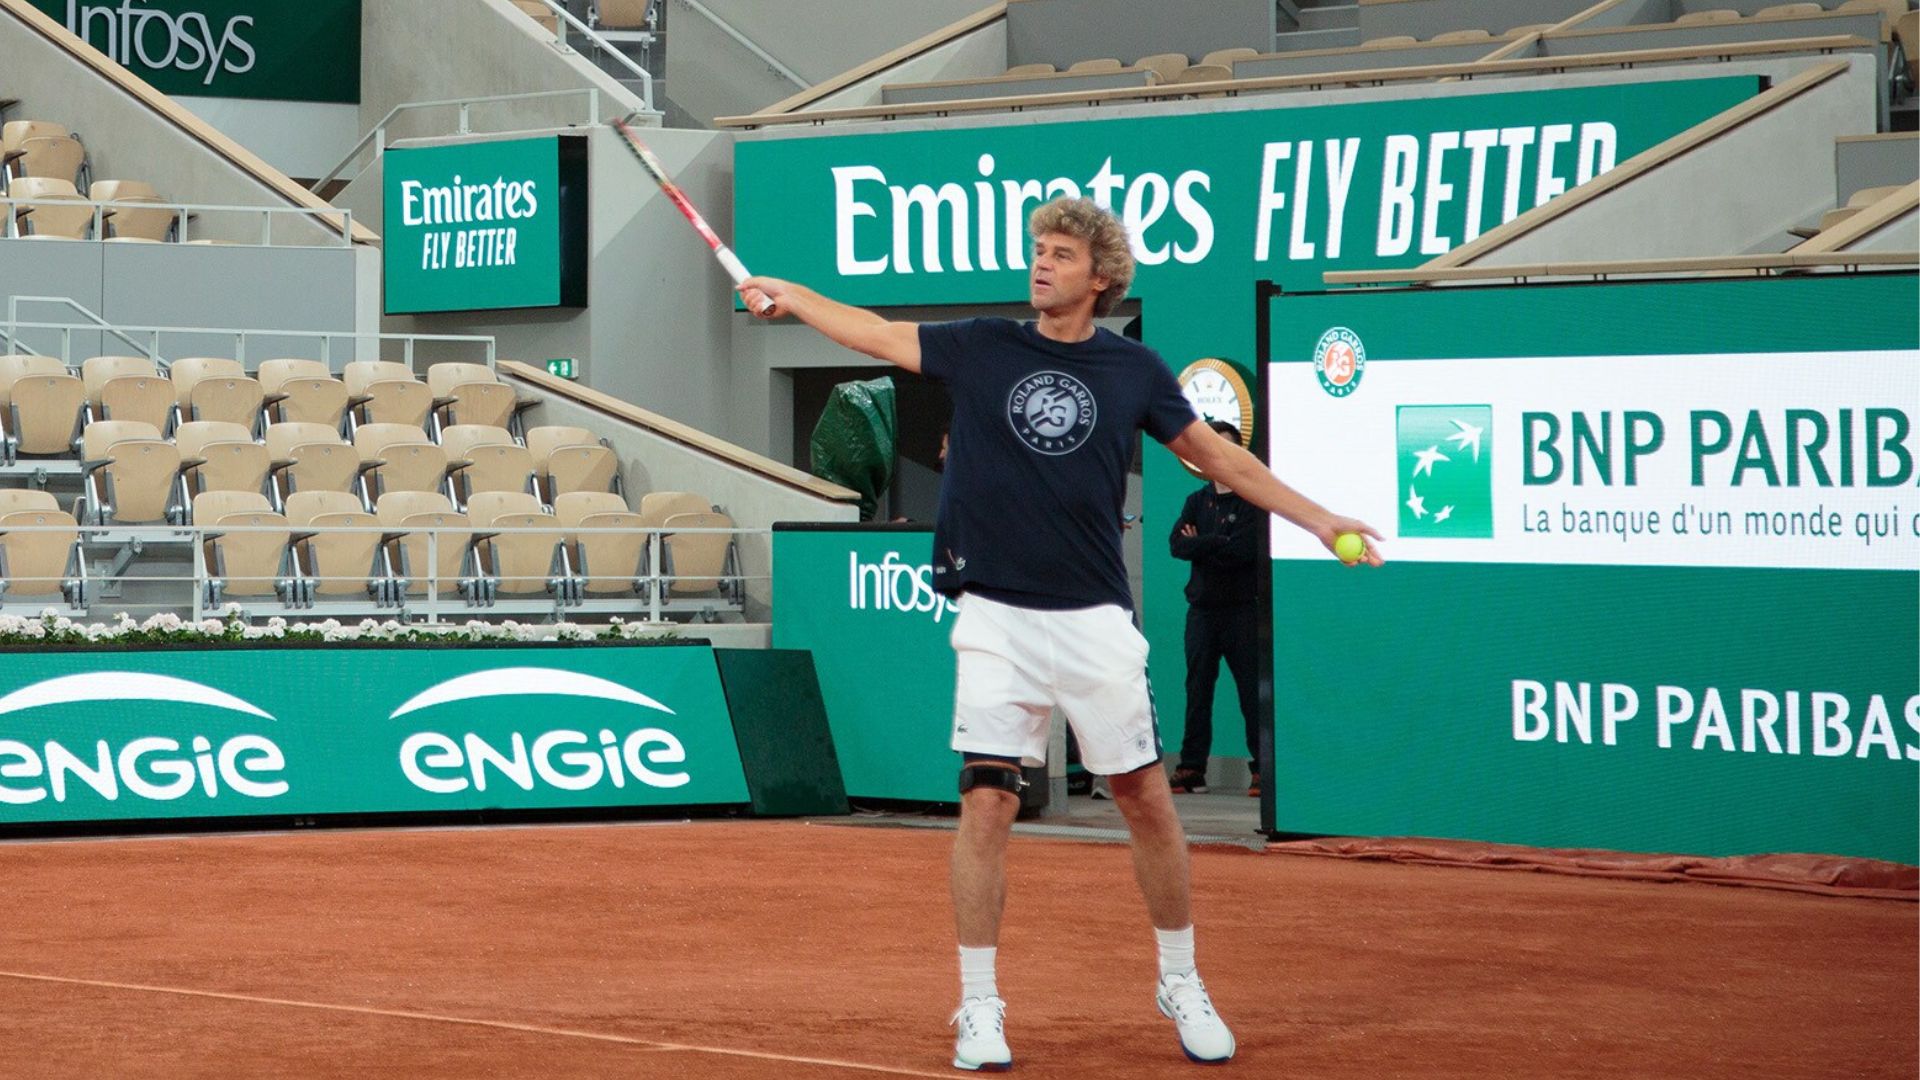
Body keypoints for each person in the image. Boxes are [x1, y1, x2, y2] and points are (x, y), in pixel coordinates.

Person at [740, 197, 1381, 1073]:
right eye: (1038, 249)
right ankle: (978, 1006)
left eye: (1062, 254)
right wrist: (796, 295)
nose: (1041, 264)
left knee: (1145, 801)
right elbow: (876, 334)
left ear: (1101, 277)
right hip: (996, 616)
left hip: (1093, 619)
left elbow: (1219, 459)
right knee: (988, 802)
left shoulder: (1135, 370)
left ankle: (1181, 979)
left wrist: (1316, 518)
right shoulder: (982, 345)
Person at [1168, 422, 1266, 798]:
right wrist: (1217, 542)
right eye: (1213, 448)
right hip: (1202, 613)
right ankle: (1191, 769)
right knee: (1197, 691)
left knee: (1251, 693)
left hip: (1242, 612)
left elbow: (1243, 551)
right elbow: (1177, 545)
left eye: (1226, 448)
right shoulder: (1196, 501)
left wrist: (1203, 544)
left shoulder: (1252, 500)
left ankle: (1262, 771)